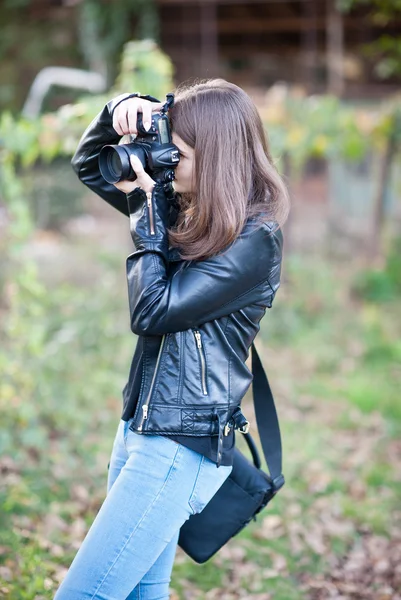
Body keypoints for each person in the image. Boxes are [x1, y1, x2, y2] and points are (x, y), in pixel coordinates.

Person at [53, 78, 290, 600]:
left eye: (175, 152)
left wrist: (145, 210)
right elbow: (92, 165)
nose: (160, 162)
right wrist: (123, 108)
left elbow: (152, 309)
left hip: (177, 447)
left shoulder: (254, 240)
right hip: (139, 429)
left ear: (216, 156)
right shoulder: (188, 210)